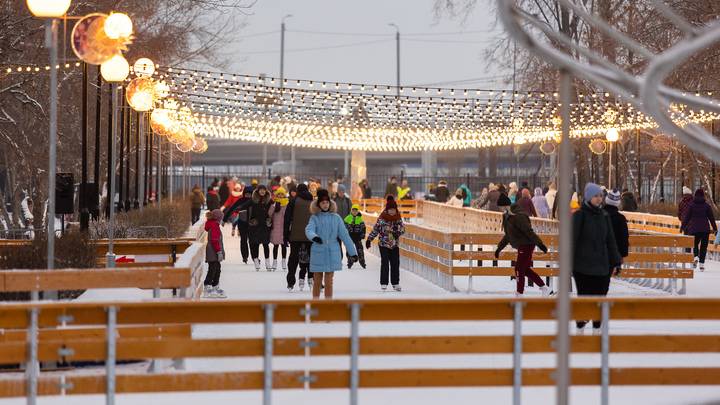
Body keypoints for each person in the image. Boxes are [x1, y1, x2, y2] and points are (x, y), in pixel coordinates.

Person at [572, 183, 622, 335]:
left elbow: (610, 240)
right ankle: (580, 327)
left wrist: (616, 261)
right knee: (584, 297)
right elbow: (571, 240)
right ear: (588, 197)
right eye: (595, 196)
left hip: (601, 265)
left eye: (600, 196)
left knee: (599, 298)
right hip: (582, 266)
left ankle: (597, 328)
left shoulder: (604, 216)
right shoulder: (579, 216)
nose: (598, 199)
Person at [494, 193, 554, 298]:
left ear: (506, 206)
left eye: (501, 207)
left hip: (527, 244)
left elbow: (529, 231)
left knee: (518, 268)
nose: (499, 209)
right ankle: (546, 289)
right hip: (523, 245)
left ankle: (520, 294)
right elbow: (508, 236)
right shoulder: (508, 217)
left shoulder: (518, 216)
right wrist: (499, 248)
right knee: (525, 269)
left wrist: (540, 244)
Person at [305, 189, 358, 299]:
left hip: (332, 251)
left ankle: (328, 305)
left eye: (327, 202)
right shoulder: (314, 218)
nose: (325, 205)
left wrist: (352, 253)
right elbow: (309, 229)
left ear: (330, 203)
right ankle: (315, 303)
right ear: (319, 204)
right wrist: (314, 237)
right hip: (318, 251)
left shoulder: (336, 218)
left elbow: (345, 236)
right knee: (317, 280)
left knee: (329, 280)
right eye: (323, 203)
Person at [366, 195, 406, 291]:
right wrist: (369, 239)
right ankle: (384, 282)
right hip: (383, 244)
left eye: (394, 209)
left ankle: (395, 282)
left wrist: (398, 233)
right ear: (387, 209)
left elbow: (403, 229)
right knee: (385, 263)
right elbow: (376, 229)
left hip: (394, 245)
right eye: (390, 210)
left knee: (395, 263)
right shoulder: (382, 218)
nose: (392, 212)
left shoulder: (398, 218)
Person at [285, 183, 315, 291]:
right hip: (310, 235)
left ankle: (290, 281)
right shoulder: (313, 202)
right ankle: (314, 280)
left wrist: (286, 234)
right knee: (313, 258)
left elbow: (287, 218)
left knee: (293, 258)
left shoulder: (293, 201)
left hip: (295, 235)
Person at [237, 184, 274, 271]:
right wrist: (240, 208)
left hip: (265, 225)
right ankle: (256, 260)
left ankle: (267, 262)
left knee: (266, 244)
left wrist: (278, 207)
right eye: (260, 190)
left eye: (263, 190)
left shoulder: (269, 200)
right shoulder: (253, 199)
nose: (262, 191)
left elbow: (274, 207)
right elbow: (246, 204)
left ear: (265, 191)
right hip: (255, 224)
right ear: (258, 191)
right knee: (255, 244)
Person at [681, 188, 717, 271]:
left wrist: (682, 227)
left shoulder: (692, 206)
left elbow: (687, 217)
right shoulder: (707, 206)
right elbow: (712, 218)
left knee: (695, 244)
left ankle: (696, 256)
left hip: (695, 229)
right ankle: (701, 263)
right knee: (704, 246)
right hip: (705, 229)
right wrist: (715, 229)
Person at [223, 186, 254, 264]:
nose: (247, 196)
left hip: (252, 224)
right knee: (243, 241)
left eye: (249, 194)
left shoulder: (254, 201)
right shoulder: (240, 201)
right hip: (242, 223)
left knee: (252, 242)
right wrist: (225, 219)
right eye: (246, 194)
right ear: (244, 194)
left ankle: (255, 257)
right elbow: (232, 209)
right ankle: (245, 257)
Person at [604, 189, 629, 282]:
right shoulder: (620, 219)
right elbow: (623, 238)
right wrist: (623, 255)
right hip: (612, 254)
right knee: (605, 281)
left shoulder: (598, 215)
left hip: (597, 253)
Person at [203, 210, 227, 299]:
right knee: (213, 270)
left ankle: (215, 286)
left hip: (213, 251)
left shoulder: (213, 224)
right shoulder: (215, 226)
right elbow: (215, 240)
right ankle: (207, 287)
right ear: (219, 218)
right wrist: (219, 252)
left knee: (217, 269)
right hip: (213, 251)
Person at [268, 187, 289, 271]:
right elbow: (269, 213)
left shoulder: (287, 204)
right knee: (275, 245)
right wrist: (273, 207)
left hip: (284, 227)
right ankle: (275, 261)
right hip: (276, 228)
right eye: (279, 194)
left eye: (282, 194)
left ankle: (284, 261)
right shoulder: (274, 203)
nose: (280, 196)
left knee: (284, 245)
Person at [344, 204, 367, 268]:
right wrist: (346, 229)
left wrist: (363, 233)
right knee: (349, 249)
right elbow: (343, 225)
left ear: (358, 211)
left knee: (360, 250)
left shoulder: (360, 219)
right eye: (353, 211)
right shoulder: (348, 218)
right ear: (351, 211)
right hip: (350, 236)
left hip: (357, 237)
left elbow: (363, 227)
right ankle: (350, 261)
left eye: (356, 211)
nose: (354, 212)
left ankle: (362, 261)